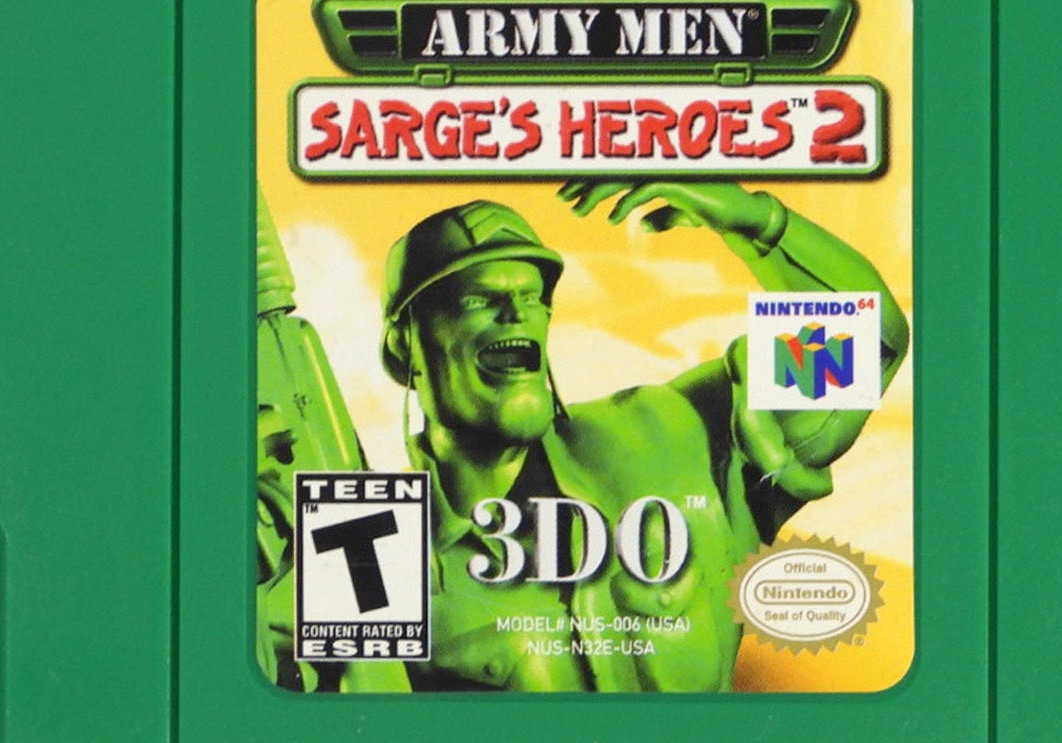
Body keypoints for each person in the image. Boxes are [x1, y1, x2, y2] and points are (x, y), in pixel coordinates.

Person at [381, 179, 909, 692]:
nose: (516, 313)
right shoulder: (381, 558)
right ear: (406, 346)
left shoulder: (669, 434)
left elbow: (867, 342)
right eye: (477, 300)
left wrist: (759, 223)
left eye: (533, 296)